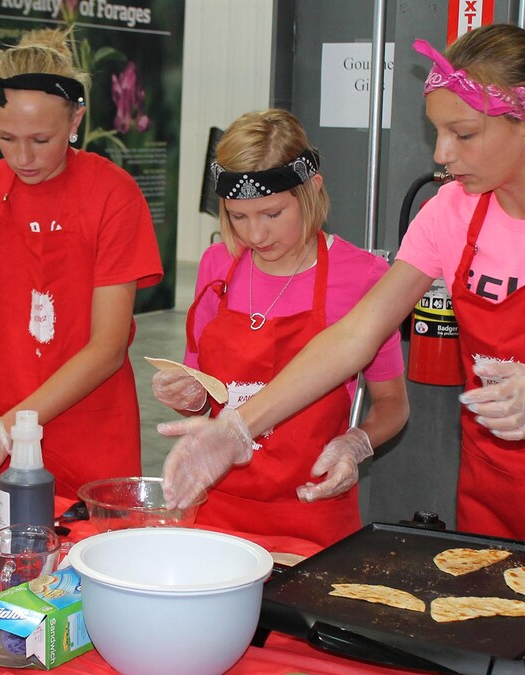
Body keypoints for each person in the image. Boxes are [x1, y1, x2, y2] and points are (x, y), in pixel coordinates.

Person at [158, 24, 525, 602]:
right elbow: (354, 336)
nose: (440, 154)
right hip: (487, 495)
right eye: (437, 131)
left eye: (464, 133)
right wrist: (235, 429)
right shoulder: (449, 215)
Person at [154, 109, 408, 545]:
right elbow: (206, 395)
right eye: (238, 217)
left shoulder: (363, 277)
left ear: (312, 190)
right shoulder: (217, 268)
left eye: (272, 214)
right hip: (218, 508)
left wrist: (355, 444)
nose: (255, 234)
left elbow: (392, 404)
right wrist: (190, 397)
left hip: (312, 510)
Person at [0, 27, 163, 499]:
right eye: (6, 137)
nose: (23, 157)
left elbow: (107, 345)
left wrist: (7, 431)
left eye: (41, 139)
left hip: (91, 435)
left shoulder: (113, 195)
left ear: (76, 117)